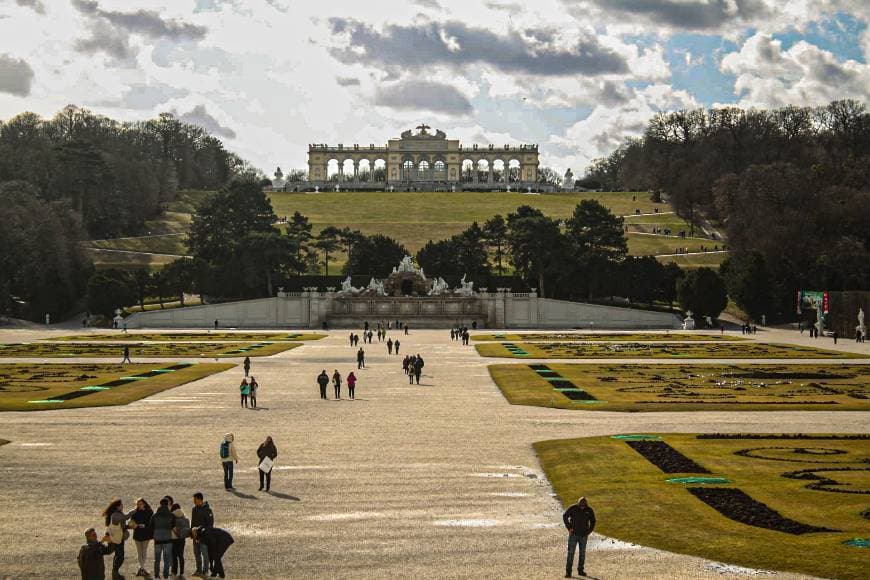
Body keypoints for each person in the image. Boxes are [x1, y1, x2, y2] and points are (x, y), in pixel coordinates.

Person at [563, 497, 596, 578]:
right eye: (581, 505)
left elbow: (593, 521)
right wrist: (569, 528)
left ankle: (580, 570)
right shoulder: (573, 508)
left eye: (584, 506)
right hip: (573, 534)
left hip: (584, 535)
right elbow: (565, 516)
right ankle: (568, 572)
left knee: (582, 554)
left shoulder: (589, 510)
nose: (582, 507)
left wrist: (589, 531)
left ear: (586, 504)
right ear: (578, 503)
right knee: (571, 553)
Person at [101, 499, 129, 580]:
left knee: (116, 554)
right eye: (121, 505)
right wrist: (134, 510)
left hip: (114, 537)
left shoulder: (114, 514)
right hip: (116, 537)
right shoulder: (116, 515)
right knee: (119, 555)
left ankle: (115, 572)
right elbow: (125, 519)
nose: (122, 506)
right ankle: (115, 573)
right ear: (117, 507)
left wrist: (129, 527)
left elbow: (120, 526)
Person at [150, 498, 176, 580]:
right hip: (168, 539)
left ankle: (157, 576)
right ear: (168, 504)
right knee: (167, 559)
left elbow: (151, 526)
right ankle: (165, 576)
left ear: (160, 504)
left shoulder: (155, 515)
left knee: (157, 559)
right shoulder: (171, 515)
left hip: (157, 539)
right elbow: (173, 526)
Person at [190, 493, 213, 577]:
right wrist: (192, 534)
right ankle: (198, 570)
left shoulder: (208, 510)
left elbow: (210, 525)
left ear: (200, 499)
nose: (194, 502)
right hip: (195, 536)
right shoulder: (194, 509)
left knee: (205, 554)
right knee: (197, 554)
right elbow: (192, 523)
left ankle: (205, 571)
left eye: (195, 500)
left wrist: (201, 532)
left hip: (204, 537)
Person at [129, 498, 153, 578]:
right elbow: (131, 522)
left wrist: (144, 526)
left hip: (146, 534)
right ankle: (142, 568)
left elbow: (151, 524)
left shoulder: (149, 512)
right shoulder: (135, 513)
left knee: (144, 551)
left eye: (140, 504)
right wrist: (134, 525)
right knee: (139, 552)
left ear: (144, 504)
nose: (139, 505)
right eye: (138, 504)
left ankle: (142, 568)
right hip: (137, 534)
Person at [170, 503, 190, 578]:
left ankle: (174, 571)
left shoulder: (171, 516)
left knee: (174, 556)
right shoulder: (183, 515)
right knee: (181, 555)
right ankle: (182, 572)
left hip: (173, 538)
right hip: (182, 538)